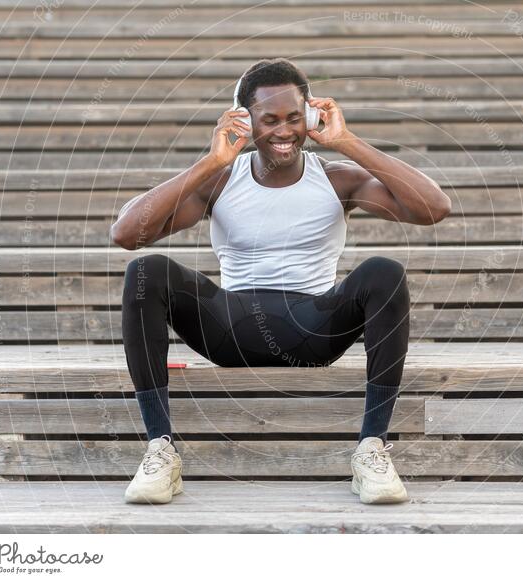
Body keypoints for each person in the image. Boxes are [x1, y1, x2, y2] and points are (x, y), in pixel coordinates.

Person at [110, 57, 451, 505]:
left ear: (311, 116)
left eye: (294, 118)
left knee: (384, 272)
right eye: (268, 120)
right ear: (243, 120)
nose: (284, 131)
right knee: (145, 271)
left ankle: (372, 450)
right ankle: (161, 449)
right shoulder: (220, 181)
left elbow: (433, 208)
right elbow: (127, 234)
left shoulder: (337, 178)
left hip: (314, 327)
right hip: (228, 329)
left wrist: (347, 141)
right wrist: (212, 161)